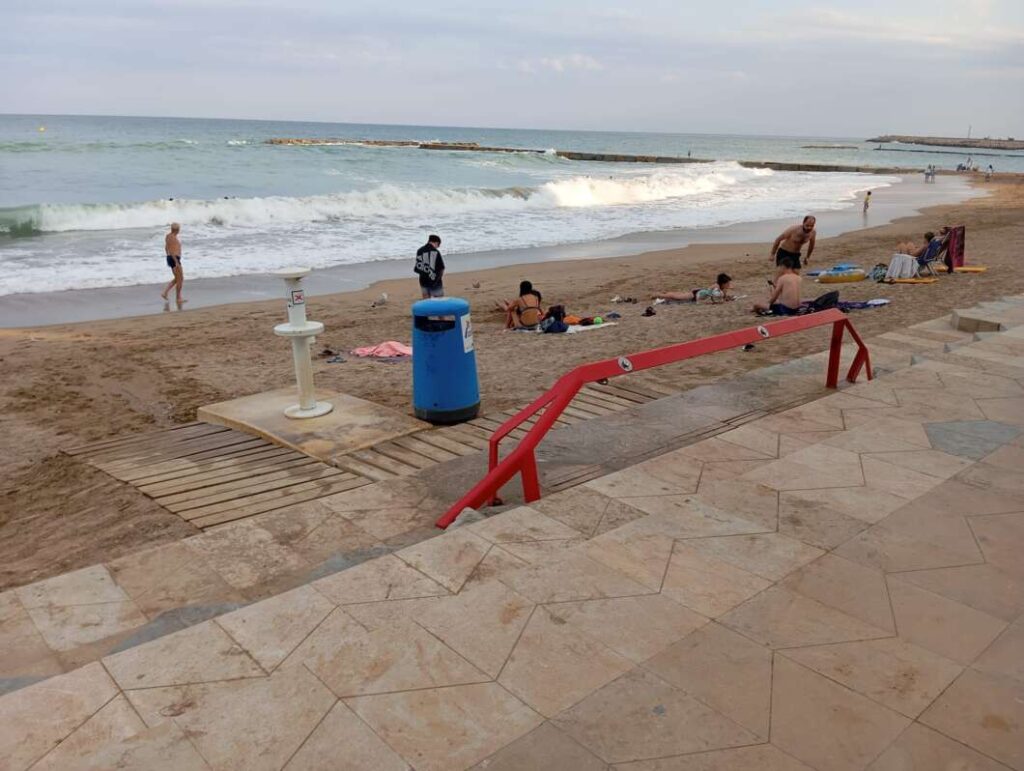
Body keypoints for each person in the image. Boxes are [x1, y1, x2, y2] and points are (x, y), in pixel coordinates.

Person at [655, 273, 734, 303]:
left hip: (699, 293)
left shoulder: (722, 288)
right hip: (696, 294)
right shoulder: (716, 286)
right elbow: (711, 294)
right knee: (677, 296)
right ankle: (659, 295)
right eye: (727, 283)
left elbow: (722, 297)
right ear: (723, 283)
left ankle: (665, 294)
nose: (729, 284)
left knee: (679, 296)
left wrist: (726, 297)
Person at [160, 223, 185, 305]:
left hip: (171, 258)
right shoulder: (173, 238)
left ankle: (165, 293)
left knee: (177, 278)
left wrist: (168, 255)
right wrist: (176, 261)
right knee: (180, 279)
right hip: (174, 259)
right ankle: (178, 298)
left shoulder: (168, 236)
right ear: (177, 230)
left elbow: (166, 247)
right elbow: (172, 250)